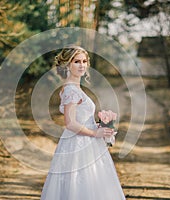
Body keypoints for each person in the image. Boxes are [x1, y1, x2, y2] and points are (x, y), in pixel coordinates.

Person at [40, 45, 126, 200]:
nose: (81, 65)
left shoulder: (75, 88)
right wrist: (95, 132)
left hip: (86, 141)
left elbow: (80, 119)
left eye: (84, 61)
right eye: (76, 61)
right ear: (67, 64)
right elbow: (70, 123)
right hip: (79, 143)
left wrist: (102, 126)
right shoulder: (70, 90)